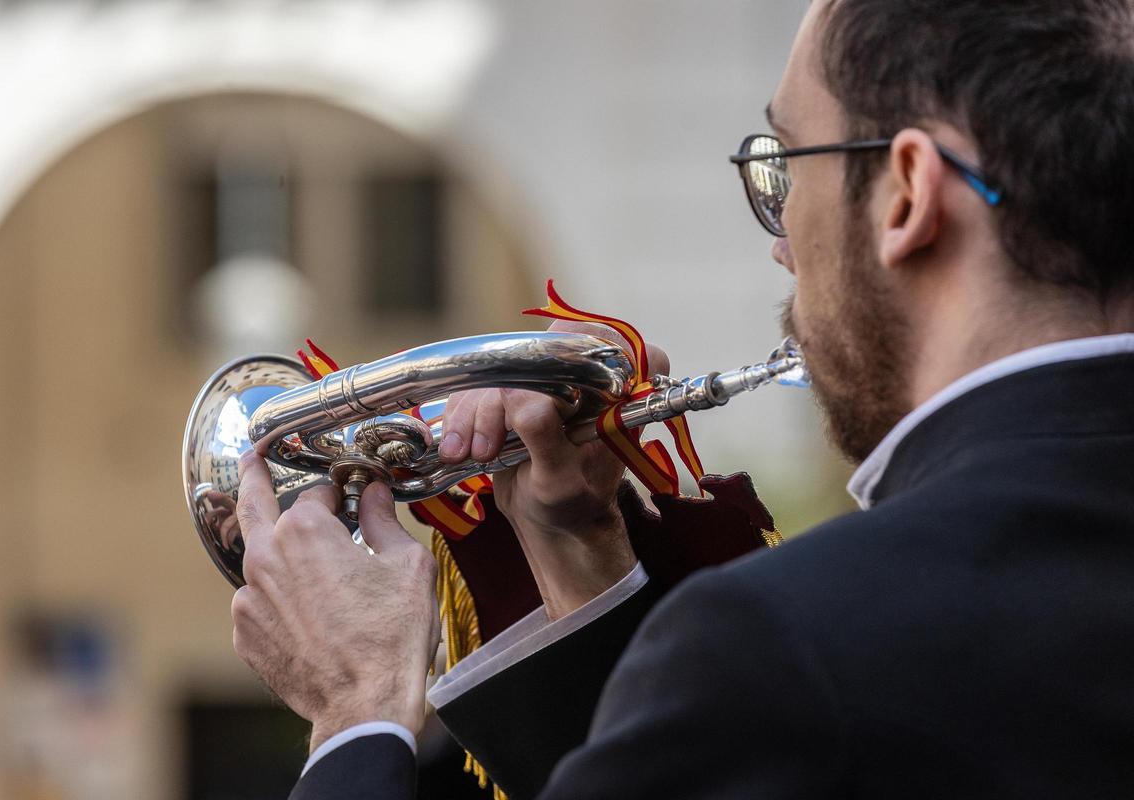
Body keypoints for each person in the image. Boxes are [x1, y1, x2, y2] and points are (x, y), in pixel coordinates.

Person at [228, 0, 1134, 797]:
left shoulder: (790, 644)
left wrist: (356, 713)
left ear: (907, 195)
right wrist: (581, 561)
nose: (781, 245)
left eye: (787, 169)